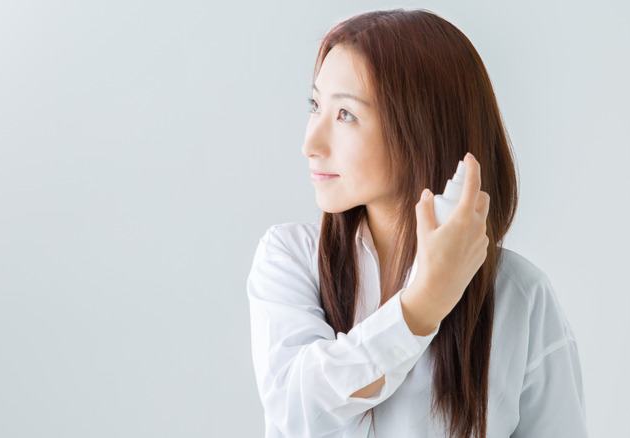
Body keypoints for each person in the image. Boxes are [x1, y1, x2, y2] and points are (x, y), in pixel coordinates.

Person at [246, 8, 588, 438]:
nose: (309, 143)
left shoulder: (520, 295)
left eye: (346, 114)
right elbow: (297, 411)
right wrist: (421, 307)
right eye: (316, 106)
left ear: (421, 128)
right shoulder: (290, 258)